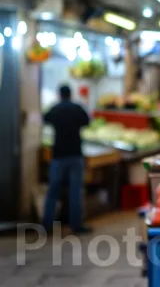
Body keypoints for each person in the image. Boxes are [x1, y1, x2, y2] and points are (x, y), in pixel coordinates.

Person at [42, 85, 91, 234]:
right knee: (75, 191)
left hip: (58, 155)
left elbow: (45, 119)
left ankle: (46, 225)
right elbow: (87, 121)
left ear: (59, 95)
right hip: (75, 155)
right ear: (71, 94)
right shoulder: (77, 108)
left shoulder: (54, 109)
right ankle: (76, 225)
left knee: (53, 191)